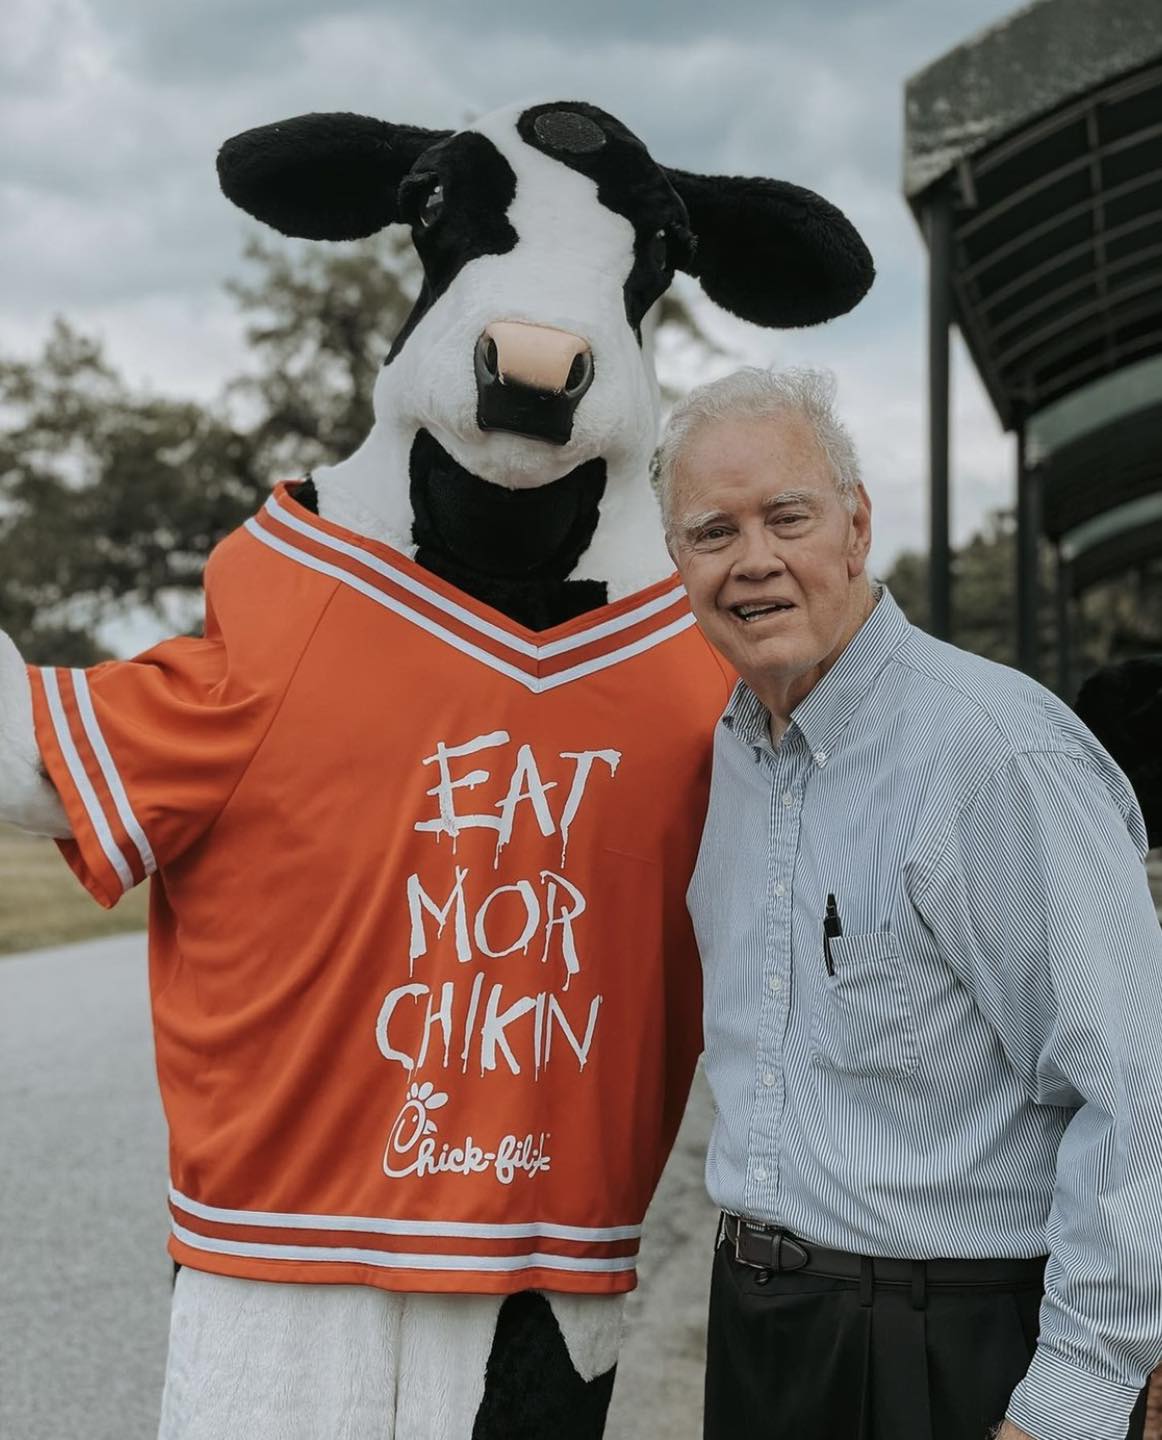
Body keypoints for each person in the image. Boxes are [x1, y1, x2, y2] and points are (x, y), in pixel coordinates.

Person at [656, 366, 1161, 1440]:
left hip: (949, 1353)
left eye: (787, 516)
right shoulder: (731, 758)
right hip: (759, 1333)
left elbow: (1136, 1090)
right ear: (677, 563)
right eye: (712, 533)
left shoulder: (996, 755)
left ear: (856, 526)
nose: (753, 560)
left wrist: (1075, 1399)